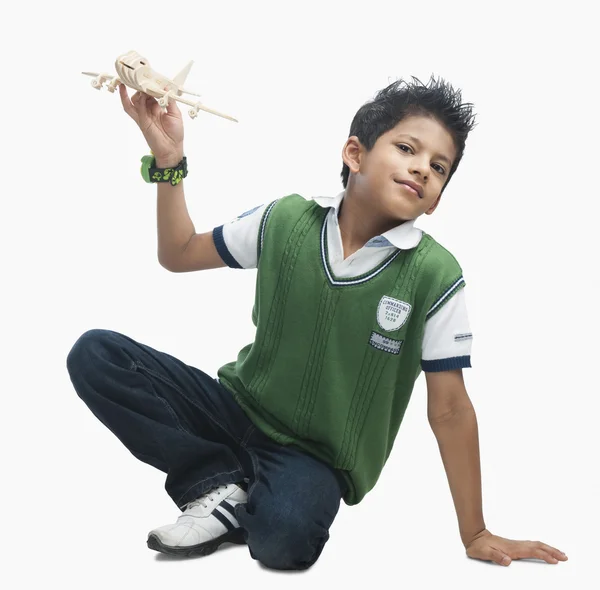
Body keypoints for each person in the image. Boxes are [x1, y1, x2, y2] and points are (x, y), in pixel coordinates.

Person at [66, 75, 568, 571]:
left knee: (285, 544)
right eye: (407, 148)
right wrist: (169, 165)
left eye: (438, 167)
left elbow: (451, 410)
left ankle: (241, 501)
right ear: (355, 153)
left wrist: (475, 532)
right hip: (234, 412)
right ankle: (217, 481)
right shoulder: (284, 220)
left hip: (312, 457)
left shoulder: (436, 275)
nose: (421, 169)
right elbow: (178, 254)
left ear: (435, 199)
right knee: (97, 354)